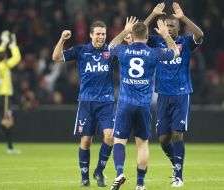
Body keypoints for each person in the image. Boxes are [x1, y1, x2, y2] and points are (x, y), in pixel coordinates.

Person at [108, 17, 179, 190]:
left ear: (132, 35)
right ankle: (140, 184)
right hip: (144, 105)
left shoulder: (123, 51)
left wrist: (125, 31)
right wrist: (165, 35)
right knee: (142, 144)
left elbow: (110, 47)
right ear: (147, 36)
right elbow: (175, 52)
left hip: (125, 104)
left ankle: (119, 173)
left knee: (119, 141)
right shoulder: (153, 52)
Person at [144, 2, 204, 187]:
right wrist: (153, 15)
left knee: (177, 134)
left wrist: (183, 17)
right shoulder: (156, 41)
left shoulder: (185, 43)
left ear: (178, 28)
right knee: (163, 140)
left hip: (181, 94)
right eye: (167, 26)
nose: (169, 29)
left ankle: (179, 176)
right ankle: (176, 163)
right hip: (162, 95)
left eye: (172, 26)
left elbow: (200, 34)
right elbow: (137, 33)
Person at [52, 21, 116, 187]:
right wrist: (62, 39)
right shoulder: (81, 50)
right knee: (86, 140)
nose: (101, 37)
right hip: (86, 102)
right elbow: (56, 57)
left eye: (103, 34)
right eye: (98, 34)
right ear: (91, 35)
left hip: (106, 102)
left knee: (110, 137)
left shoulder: (111, 50)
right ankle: (85, 177)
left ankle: (99, 171)